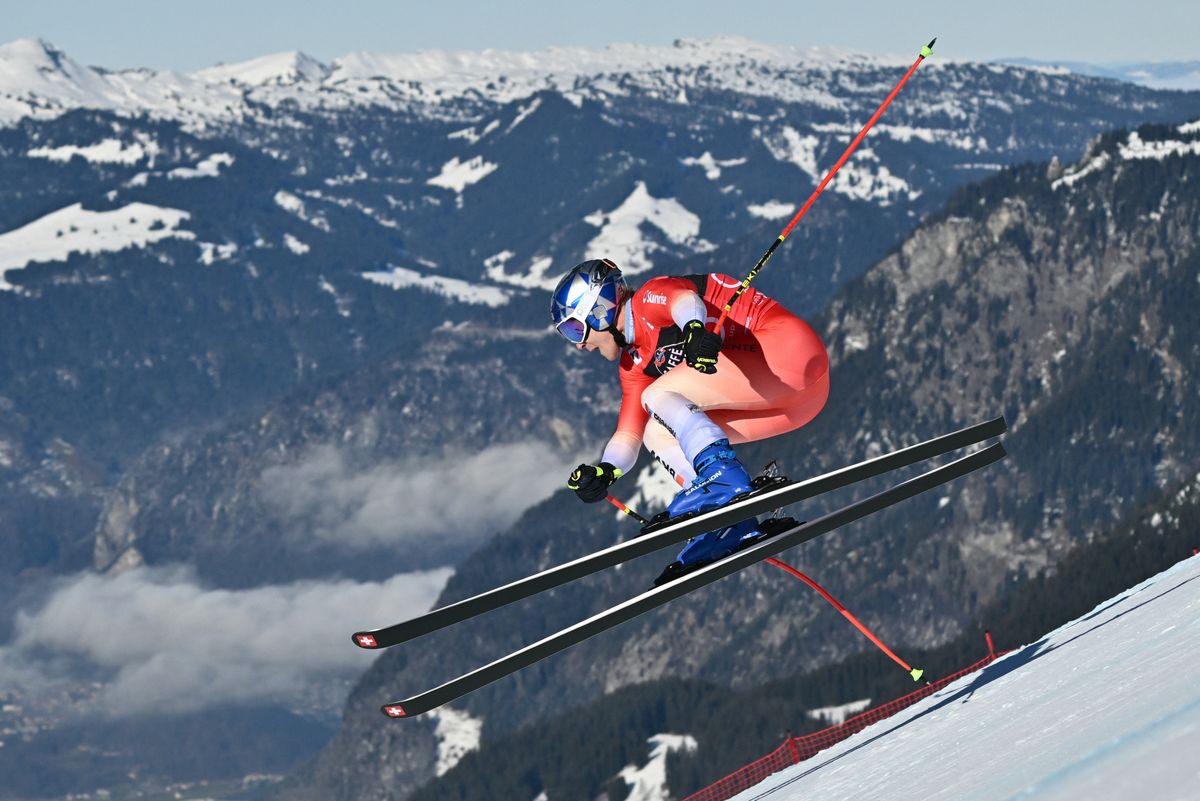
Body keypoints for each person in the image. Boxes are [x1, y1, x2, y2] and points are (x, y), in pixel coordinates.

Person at [551, 257, 830, 584]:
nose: (579, 345)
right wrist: (605, 471)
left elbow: (684, 301)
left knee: (655, 395)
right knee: (657, 432)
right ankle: (726, 520)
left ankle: (720, 479)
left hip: (789, 355)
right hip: (798, 402)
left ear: (600, 309)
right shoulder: (633, 364)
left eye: (574, 328)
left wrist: (695, 330)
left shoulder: (646, 300)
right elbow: (630, 434)